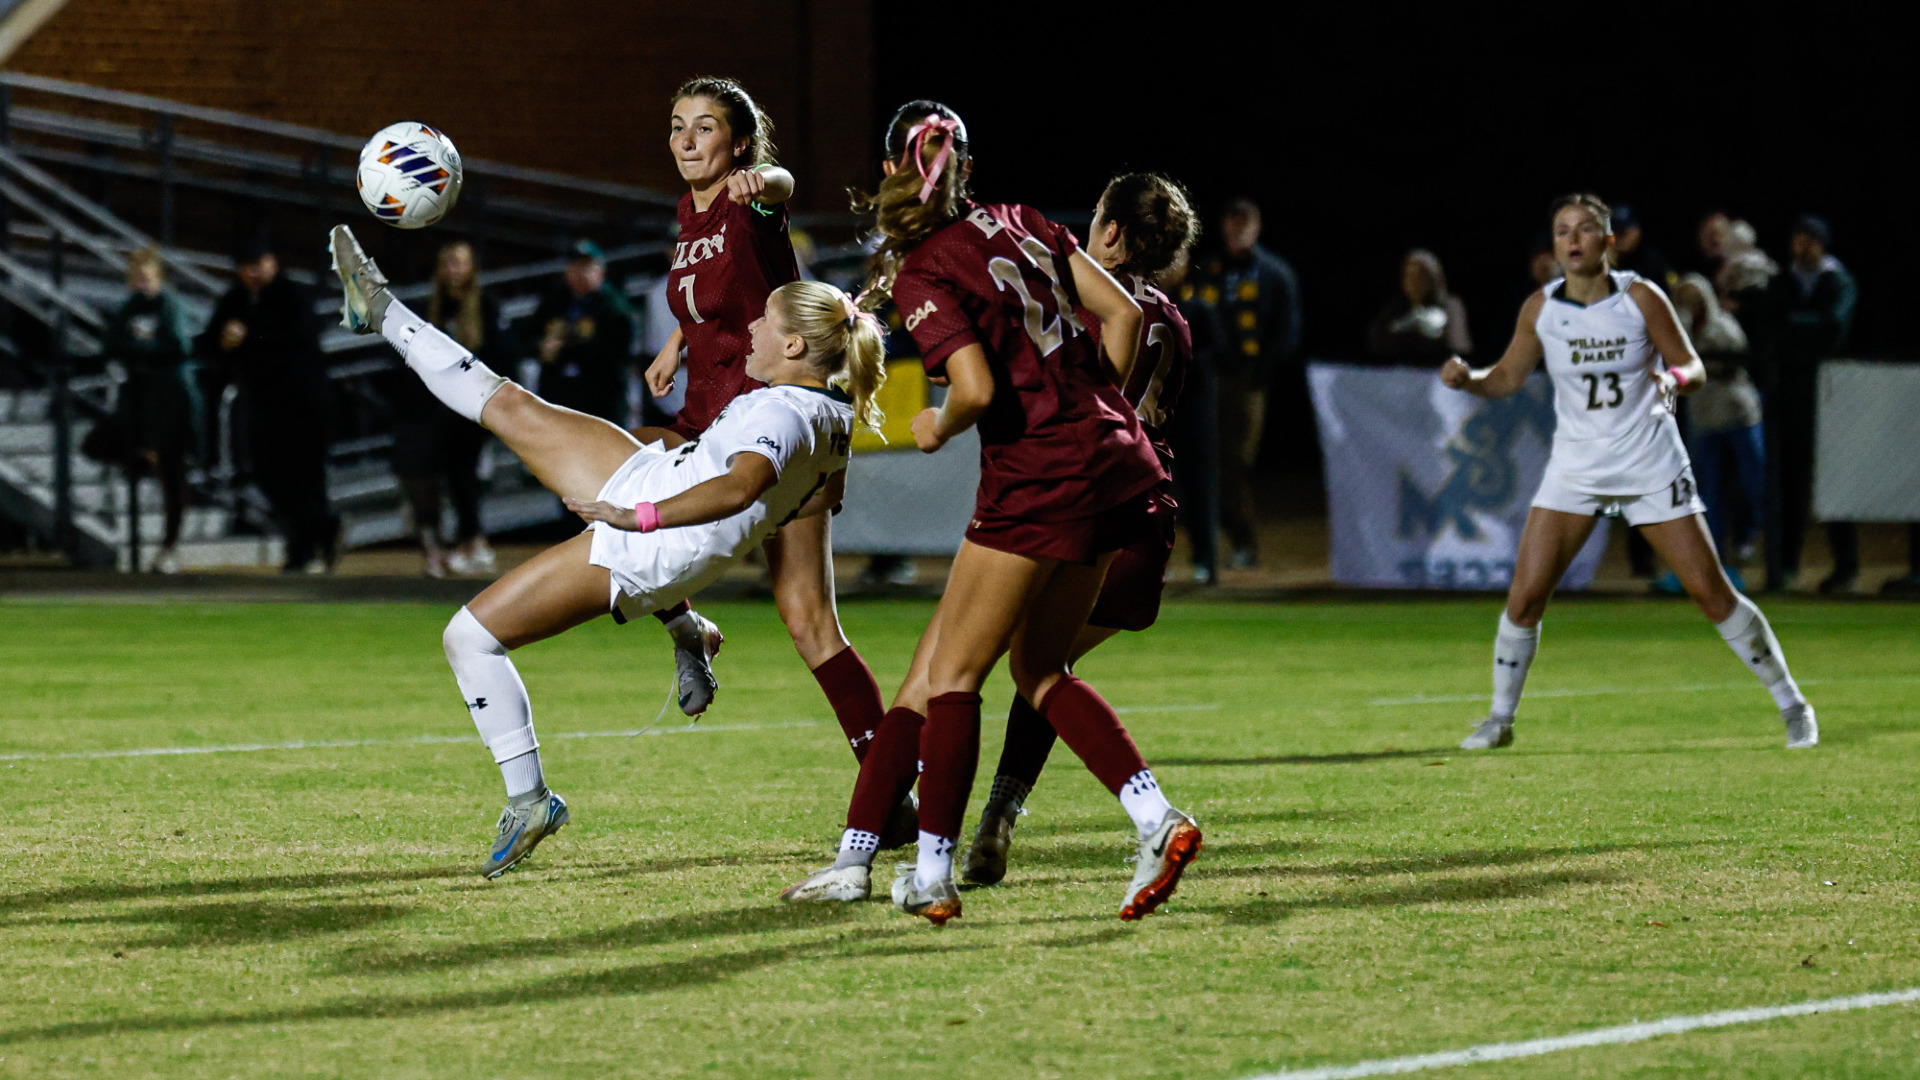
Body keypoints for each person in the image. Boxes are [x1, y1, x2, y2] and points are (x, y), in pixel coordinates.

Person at [330, 224, 882, 877]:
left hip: (648, 540)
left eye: (764, 323)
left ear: (793, 344)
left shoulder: (780, 413)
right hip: (659, 480)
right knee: (508, 403)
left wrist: (639, 518)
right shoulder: (831, 414)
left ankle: (530, 800)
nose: (752, 333)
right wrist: (733, 517)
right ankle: (382, 308)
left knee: (468, 639)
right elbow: (823, 497)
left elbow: (739, 487)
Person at [780, 103, 1203, 925]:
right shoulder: (1024, 219)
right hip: (1116, 463)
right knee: (1033, 671)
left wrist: (936, 422)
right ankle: (1154, 820)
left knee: (950, 678)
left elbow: (971, 390)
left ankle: (928, 874)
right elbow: (1122, 314)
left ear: (899, 169)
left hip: (1039, 477)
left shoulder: (926, 269)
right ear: (966, 166)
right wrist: (1088, 414)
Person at [1439, 194, 1816, 753]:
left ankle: (1793, 705)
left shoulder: (1641, 296)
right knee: (1524, 600)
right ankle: (1499, 719)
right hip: (1577, 468)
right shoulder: (1541, 308)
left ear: (1608, 242)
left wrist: (1673, 380)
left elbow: (1693, 365)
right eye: (1562, 230)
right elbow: (1509, 377)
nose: (1572, 240)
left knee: (1711, 593)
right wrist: (1470, 378)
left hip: (1648, 462)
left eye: (1586, 230)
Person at [634, 76, 895, 792]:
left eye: (705, 127)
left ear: (739, 143)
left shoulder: (751, 203)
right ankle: (690, 629)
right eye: (677, 125)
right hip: (706, 415)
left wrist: (766, 178)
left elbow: (781, 188)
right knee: (621, 484)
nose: (686, 139)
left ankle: (886, 781)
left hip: (768, 426)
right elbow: (715, 298)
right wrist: (679, 344)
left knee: (808, 618)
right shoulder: (689, 212)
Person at [959, 171, 1200, 888]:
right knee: (1039, 666)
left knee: (1001, 662)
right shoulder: (1175, 322)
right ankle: (992, 820)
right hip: (1147, 517)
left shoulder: (1081, 306)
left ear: (1115, 234)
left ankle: (936, 820)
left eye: (1097, 217)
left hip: (1089, 502)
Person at [197, 233, 337, 573]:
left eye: (258, 265)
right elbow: (209, 342)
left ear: (272, 262)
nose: (253, 273)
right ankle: (315, 534)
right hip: (261, 406)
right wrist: (223, 342)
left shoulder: (291, 296)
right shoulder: (235, 300)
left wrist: (250, 337)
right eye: (246, 267)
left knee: (305, 477)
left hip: (302, 406)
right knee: (267, 475)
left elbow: (297, 339)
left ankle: (307, 546)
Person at [1187, 197, 1301, 568]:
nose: (1238, 231)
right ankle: (1204, 548)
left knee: (1234, 464)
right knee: (1198, 463)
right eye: (1232, 224)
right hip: (1206, 382)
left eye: (1245, 224)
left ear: (1257, 227)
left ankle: (1243, 542)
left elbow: (1287, 330)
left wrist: (1261, 371)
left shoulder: (1274, 273)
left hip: (1247, 383)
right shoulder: (1209, 268)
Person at [1759, 214, 1859, 593]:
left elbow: (1834, 330)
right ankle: (1784, 567)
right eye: (1798, 239)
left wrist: (1793, 326)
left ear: (1823, 244)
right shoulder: (1781, 282)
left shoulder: (1839, 281)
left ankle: (1846, 568)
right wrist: (1805, 327)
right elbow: (1770, 330)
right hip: (1789, 393)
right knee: (1789, 481)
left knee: (1838, 478)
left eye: (1810, 240)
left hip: (1833, 393)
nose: (1802, 246)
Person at [392, 240, 500, 577]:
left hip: (470, 409)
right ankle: (438, 544)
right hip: (431, 410)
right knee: (425, 476)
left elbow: (499, 358)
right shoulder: (427, 308)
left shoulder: (486, 307)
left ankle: (472, 539)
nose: (454, 271)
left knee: (464, 476)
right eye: (448, 264)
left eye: (460, 263)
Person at [100, 248, 202, 574]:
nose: (142, 283)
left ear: (158, 276)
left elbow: (179, 346)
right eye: (137, 277)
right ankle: (151, 542)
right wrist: (139, 350)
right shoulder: (131, 307)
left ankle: (170, 545)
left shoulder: (168, 306)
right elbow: (111, 343)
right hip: (143, 402)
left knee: (173, 471)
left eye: (147, 276)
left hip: (172, 399)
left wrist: (142, 350)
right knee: (112, 447)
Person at [1670, 273, 1764, 589]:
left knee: (1754, 482)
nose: (1691, 305)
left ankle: (1749, 539)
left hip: (1738, 415)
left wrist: (1703, 364)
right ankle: (1714, 563)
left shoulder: (1722, 326)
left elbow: (1739, 356)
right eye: (1685, 298)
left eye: (1696, 298)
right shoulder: (1679, 331)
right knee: (1707, 492)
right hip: (1705, 419)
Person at [528, 239, 635, 424]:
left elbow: (613, 351)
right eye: (575, 266)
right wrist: (540, 347)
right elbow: (527, 335)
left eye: (587, 266)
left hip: (599, 402)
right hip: (559, 399)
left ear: (601, 271)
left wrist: (562, 351)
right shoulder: (554, 301)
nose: (580, 273)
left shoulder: (614, 307)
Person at [1169, 246, 1226, 584]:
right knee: (1161, 489)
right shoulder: (1144, 302)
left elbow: (1217, 353)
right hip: (1161, 412)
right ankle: (1158, 558)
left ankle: (1207, 561)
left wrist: (1181, 364)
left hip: (1195, 411)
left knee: (1201, 487)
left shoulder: (1200, 307)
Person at [1365, 249, 1471, 365]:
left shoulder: (1451, 306)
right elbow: (1378, 340)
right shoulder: (1396, 307)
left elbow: (1459, 345)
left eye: (1421, 277)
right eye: (1409, 277)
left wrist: (1432, 332)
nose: (1414, 283)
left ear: (1432, 280)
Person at [1609, 203, 1673, 288]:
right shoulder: (1603, 262)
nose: (1619, 238)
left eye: (1623, 232)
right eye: (1615, 232)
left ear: (1637, 230)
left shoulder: (1653, 261)